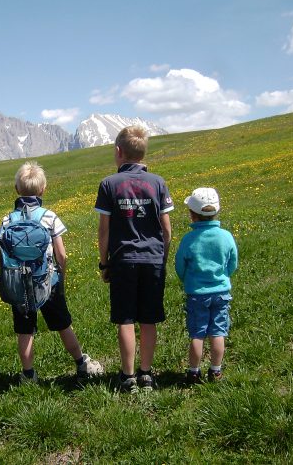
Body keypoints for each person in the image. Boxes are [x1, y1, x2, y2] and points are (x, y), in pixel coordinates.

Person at [0, 161, 103, 383]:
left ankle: (28, 374)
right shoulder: (49, 216)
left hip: (18, 283)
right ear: (43, 189)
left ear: (17, 189)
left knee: (25, 331)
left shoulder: (7, 219)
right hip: (48, 281)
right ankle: (81, 363)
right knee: (63, 324)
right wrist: (61, 274)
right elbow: (61, 254)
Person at [95, 126, 173, 392]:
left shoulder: (109, 184)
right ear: (143, 153)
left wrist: (104, 262)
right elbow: (167, 229)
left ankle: (127, 377)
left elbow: (104, 229)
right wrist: (162, 257)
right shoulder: (158, 182)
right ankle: (146, 373)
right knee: (149, 318)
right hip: (153, 259)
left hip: (123, 260)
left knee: (126, 318)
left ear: (119, 152)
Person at [175, 187, 238, 384]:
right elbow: (232, 262)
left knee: (198, 334)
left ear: (192, 214)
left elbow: (180, 266)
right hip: (221, 292)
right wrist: (224, 275)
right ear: (217, 212)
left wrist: (187, 279)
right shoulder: (226, 236)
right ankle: (216, 371)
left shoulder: (188, 239)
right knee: (218, 332)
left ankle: (194, 372)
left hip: (196, 294)